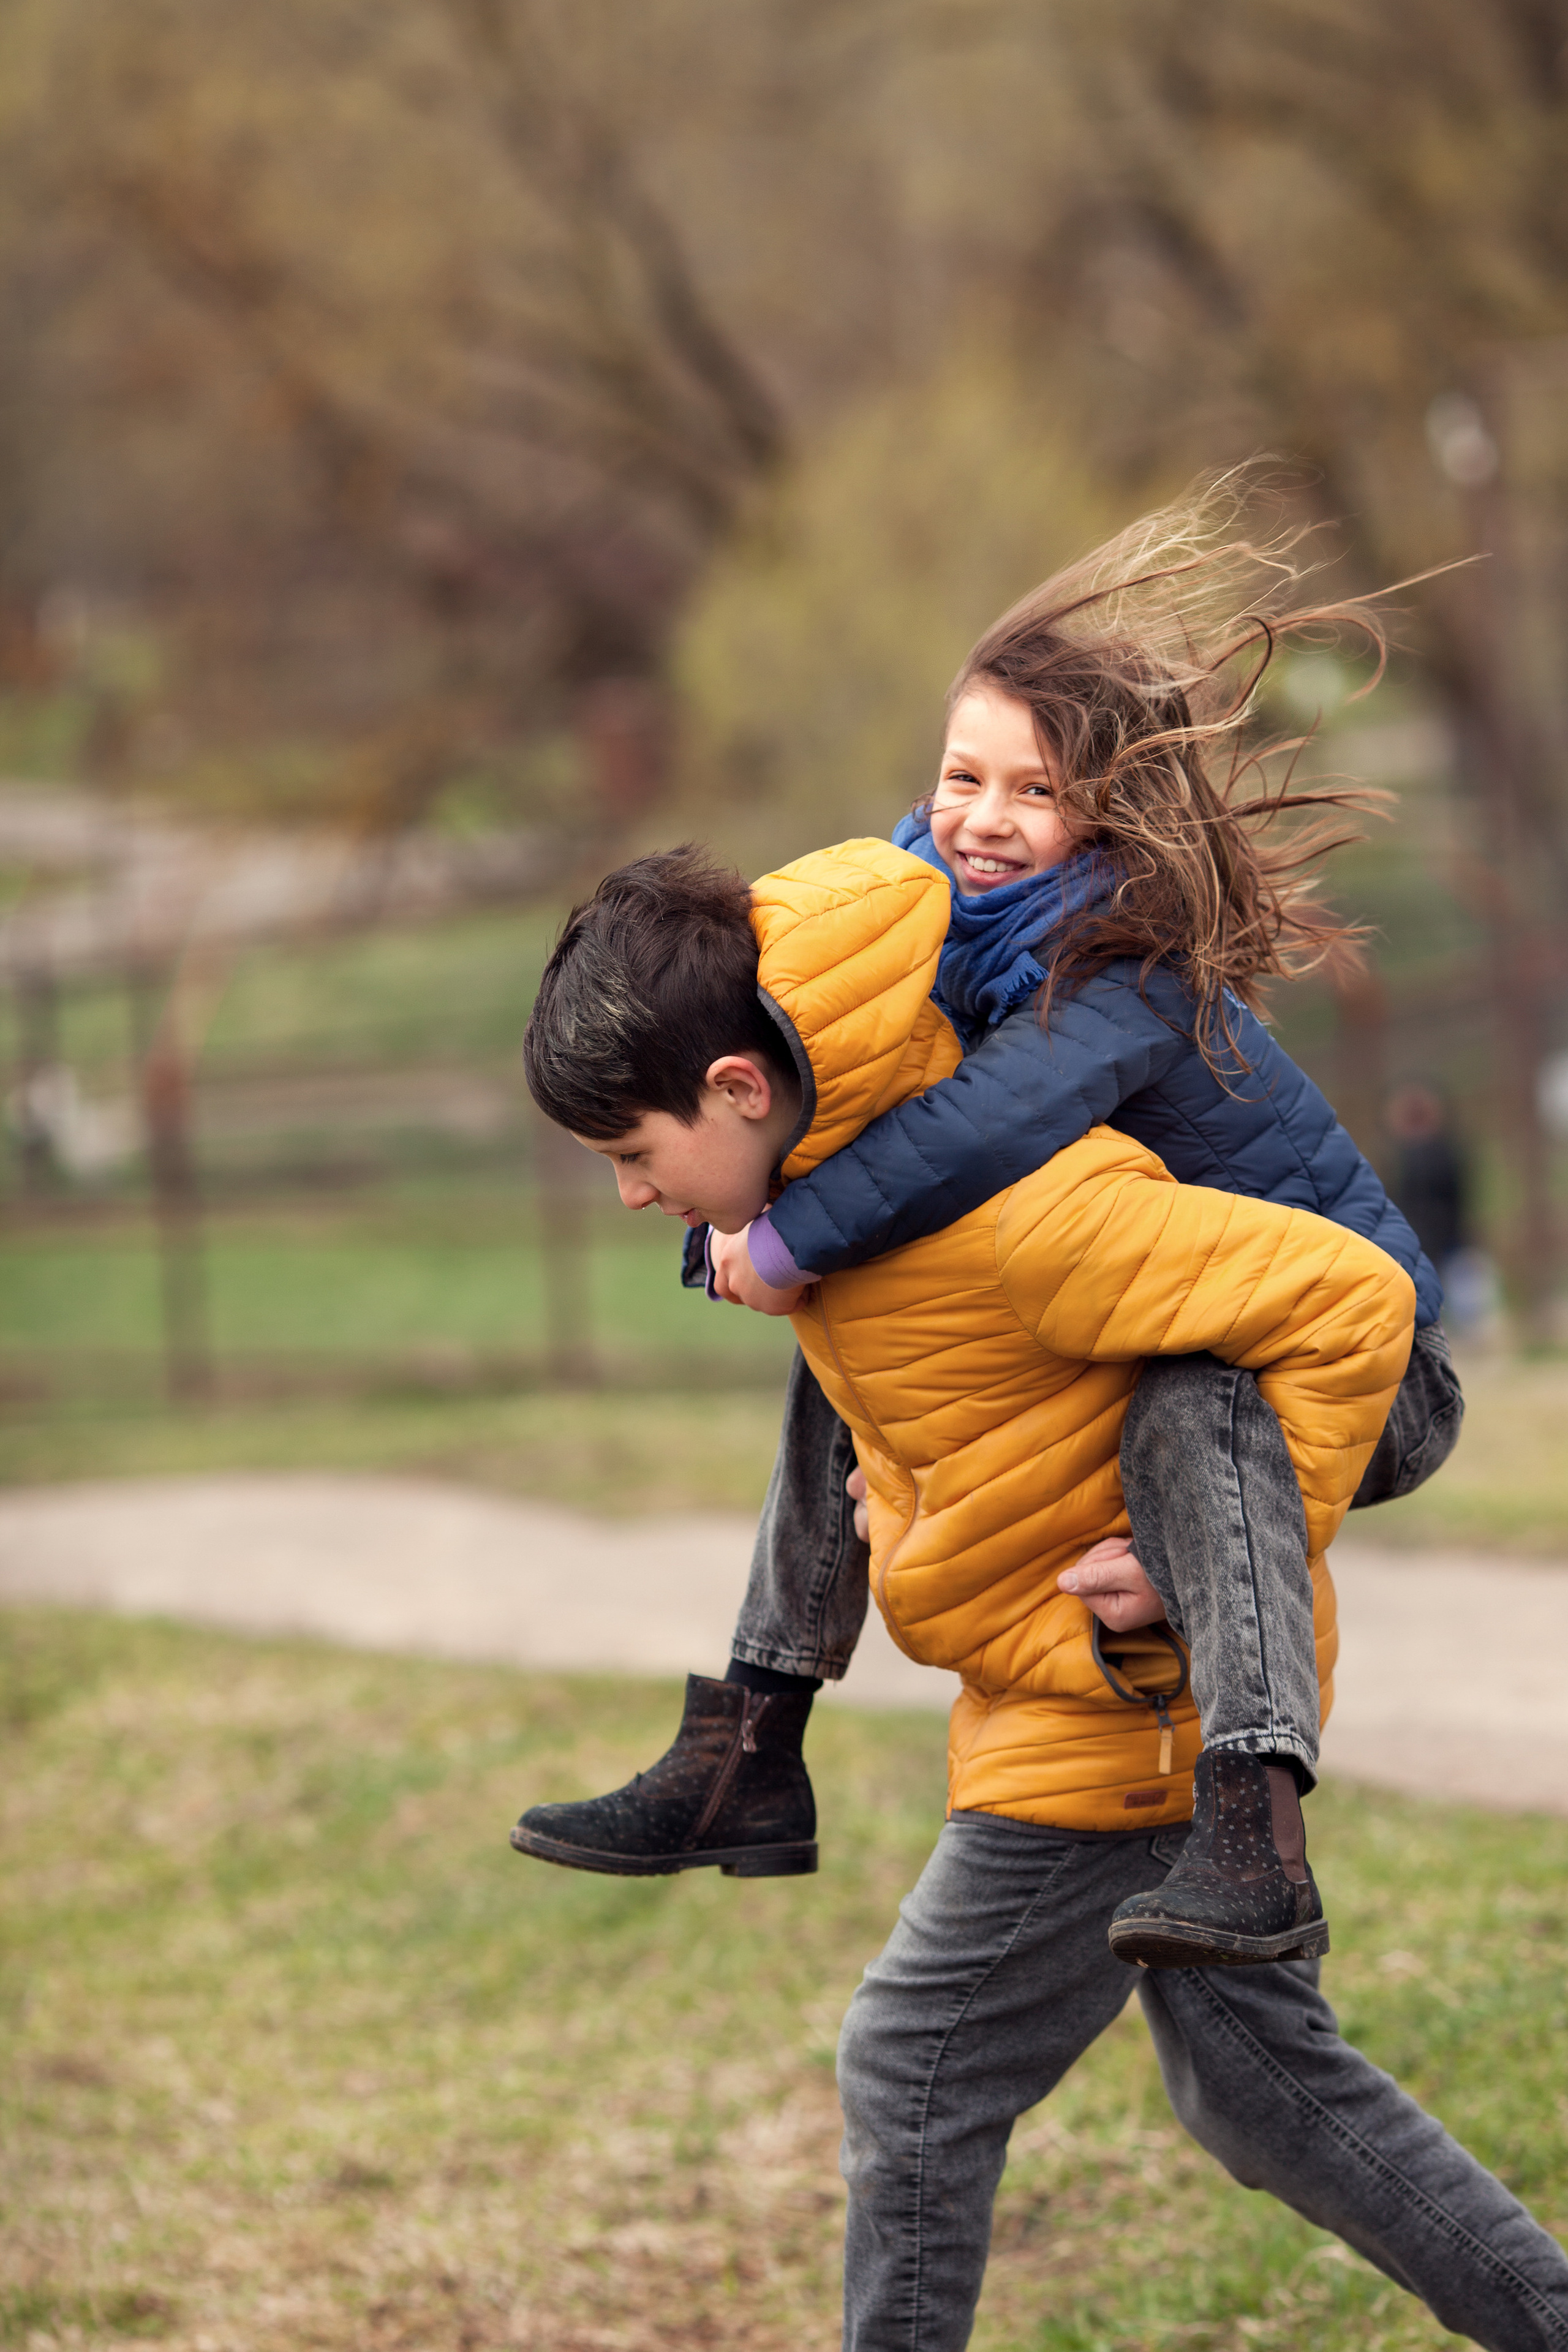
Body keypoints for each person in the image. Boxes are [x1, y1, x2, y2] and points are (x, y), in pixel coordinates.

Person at [514, 834, 1567, 2352]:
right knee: (1255, 2095)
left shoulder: (1022, 1219)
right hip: (1049, 1691)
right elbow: (969, 1421)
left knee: (910, 2065)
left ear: (741, 1090)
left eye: (634, 1154)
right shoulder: (846, 1217)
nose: (629, 1196)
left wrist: (1226, 1560)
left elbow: (1359, 1303)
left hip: (1119, 1706)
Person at [512, 492, 1463, 1968]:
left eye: (1033, 793)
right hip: (1185, 1297)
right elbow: (814, 1081)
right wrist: (728, 1191)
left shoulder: (1124, 970)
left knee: (1181, 1391)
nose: (981, 817)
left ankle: (1253, 1827)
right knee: (849, 1323)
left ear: (1108, 818)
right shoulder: (941, 927)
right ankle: (753, 1740)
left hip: (1358, 1356)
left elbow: (973, 1134)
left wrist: (776, 1242)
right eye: (963, 774)